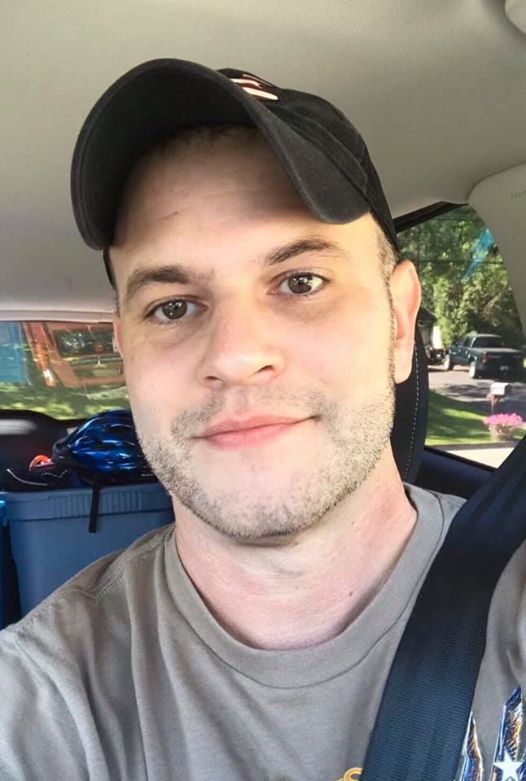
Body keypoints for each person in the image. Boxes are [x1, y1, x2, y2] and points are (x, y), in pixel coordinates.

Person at [0, 59, 524, 781]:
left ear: (400, 321)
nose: (236, 354)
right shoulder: (38, 705)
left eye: (301, 281)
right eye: (173, 306)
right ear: (127, 353)